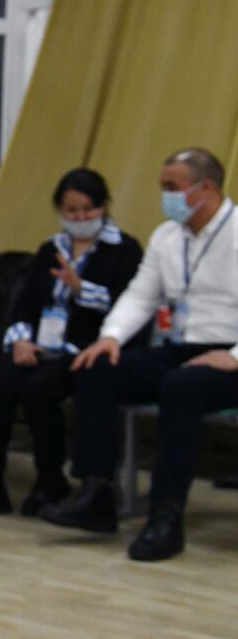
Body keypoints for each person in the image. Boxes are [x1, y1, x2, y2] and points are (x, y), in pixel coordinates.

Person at [40, 148, 238, 561]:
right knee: (98, 368)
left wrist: (235, 356)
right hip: (182, 347)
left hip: (230, 355)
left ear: (207, 189)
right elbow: (141, 294)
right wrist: (110, 336)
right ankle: (97, 494)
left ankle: (166, 517)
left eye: (172, 188)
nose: (165, 197)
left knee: (179, 387)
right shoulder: (167, 236)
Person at [0, 169, 143, 517]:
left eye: (87, 210)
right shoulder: (50, 249)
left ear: (103, 207)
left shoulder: (125, 251)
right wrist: (22, 341)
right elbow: (25, 303)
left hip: (86, 348)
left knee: (41, 388)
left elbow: (128, 306)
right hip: (41, 345)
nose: (80, 218)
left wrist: (80, 289)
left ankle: (50, 479)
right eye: (71, 211)